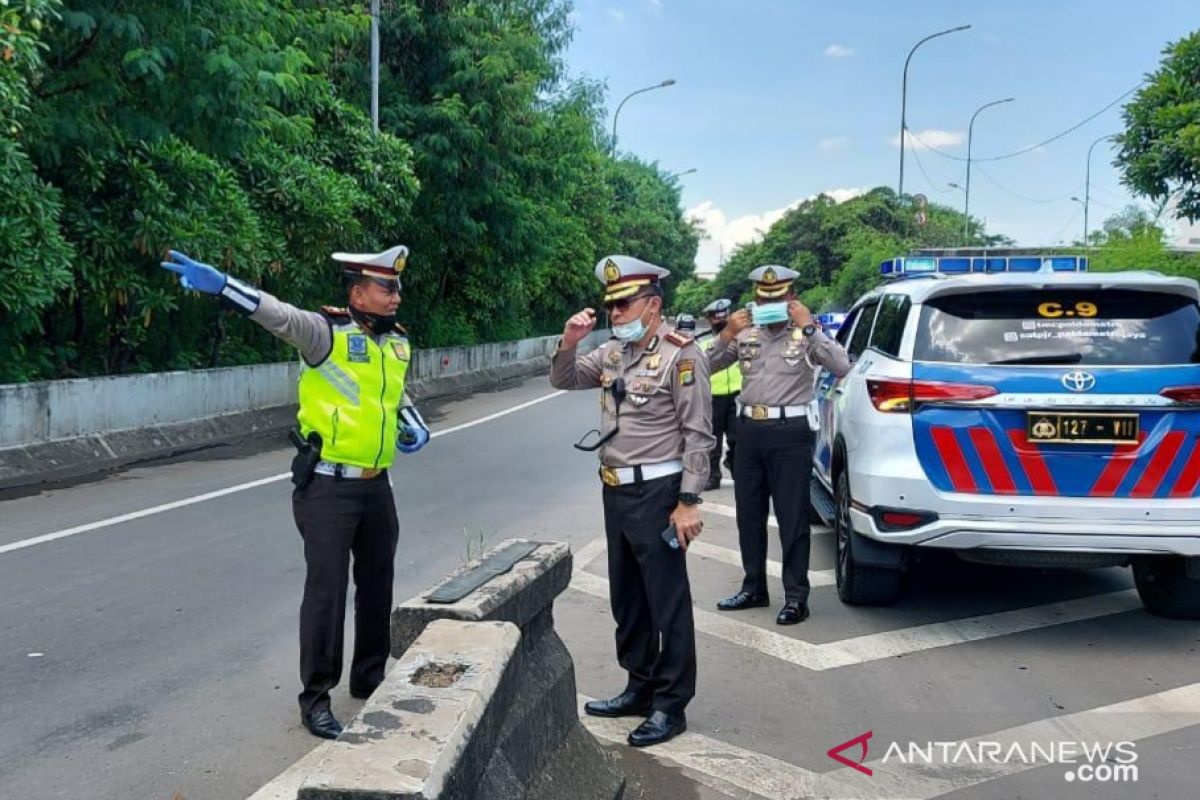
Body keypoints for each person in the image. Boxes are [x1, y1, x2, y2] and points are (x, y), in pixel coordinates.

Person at [161, 246, 430, 740]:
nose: (396, 296)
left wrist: (411, 421)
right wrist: (223, 284)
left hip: (377, 486)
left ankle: (370, 678)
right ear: (357, 292)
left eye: (397, 288)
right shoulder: (324, 333)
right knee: (326, 593)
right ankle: (316, 699)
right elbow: (275, 314)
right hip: (328, 486)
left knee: (377, 585)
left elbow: (392, 393)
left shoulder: (396, 344)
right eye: (387, 287)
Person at [551, 255, 714, 748]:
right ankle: (638, 686)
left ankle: (670, 704)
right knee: (627, 598)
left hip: (659, 493)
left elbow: (699, 434)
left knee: (667, 602)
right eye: (611, 307)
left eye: (624, 305)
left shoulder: (681, 355)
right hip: (616, 490)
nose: (615, 315)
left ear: (654, 305)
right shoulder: (613, 355)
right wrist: (569, 343)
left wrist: (688, 501)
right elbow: (564, 378)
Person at [706, 266, 851, 625]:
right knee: (749, 514)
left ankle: (796, 597)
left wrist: (810, 326)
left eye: (776, 297)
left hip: (791, 432)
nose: (768, 303)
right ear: (755, 299)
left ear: (791, 297)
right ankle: (754, 586)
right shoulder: (745, 334)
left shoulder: (806, 333)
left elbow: (841, 364)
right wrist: (727, 333)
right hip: (749, 431)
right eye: (762, 298)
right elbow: (702, 367)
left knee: (792, 518)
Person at [698, 299, 742, 491]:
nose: (720, 320)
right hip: (712, 396)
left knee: (738, 438)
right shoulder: (702, 342)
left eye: (724, 316)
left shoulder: (741, 338)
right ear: (709, 320)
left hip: (737, 395)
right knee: (712, 440)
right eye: (716, 318)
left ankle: (736, 469)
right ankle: (712, 476)